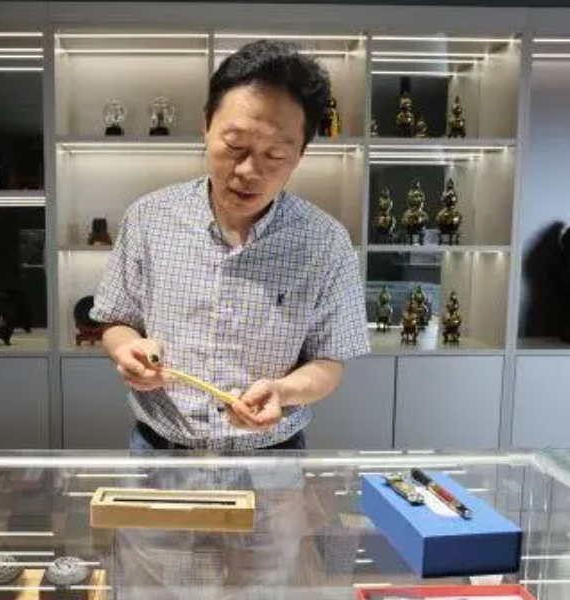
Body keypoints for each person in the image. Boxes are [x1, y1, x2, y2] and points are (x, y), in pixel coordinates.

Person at [91, 40, 370, 452]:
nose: (248, 171)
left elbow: (330, 362)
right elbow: (116, 320)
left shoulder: (325, 243)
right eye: (235, 145)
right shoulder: (148, 218)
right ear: (207, 125)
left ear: (301, 153)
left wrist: (285, 391)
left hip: (272, 457)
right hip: (160, 449)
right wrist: (128, 349)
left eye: (275, 155)